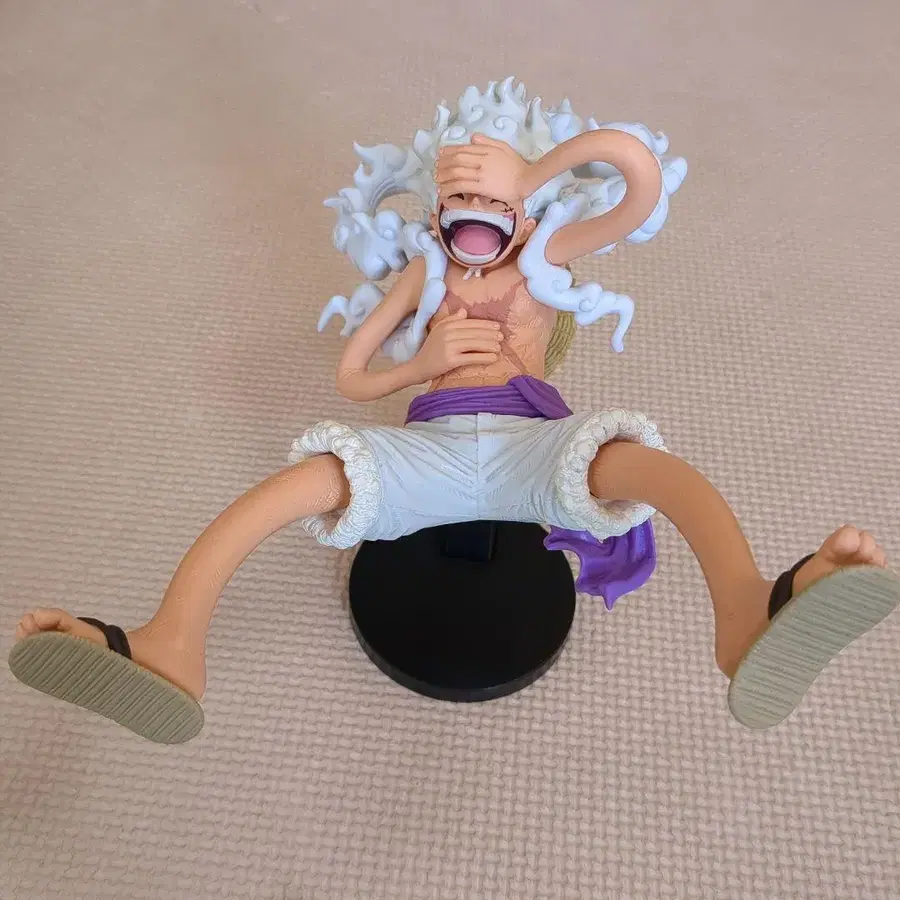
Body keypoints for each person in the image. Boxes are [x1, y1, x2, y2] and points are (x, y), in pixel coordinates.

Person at [10, 79, 897, 743]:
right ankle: (169, 645)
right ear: (436, 212)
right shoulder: (423, 272)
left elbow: (637, 173)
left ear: (526, 209)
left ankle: (745, 610)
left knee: (653, 471)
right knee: (292, 489)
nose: (473, 216)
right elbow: (353, 377)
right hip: (427, 456)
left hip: (531, 447)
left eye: (492, 201)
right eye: (456, 201)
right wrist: (425, 362)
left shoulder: (549, 254)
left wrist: (532, 171)